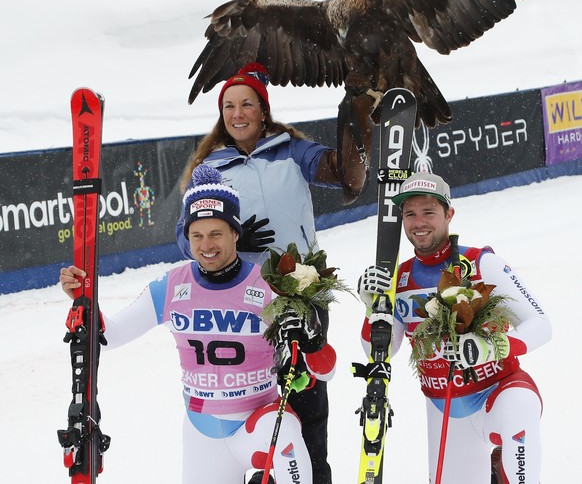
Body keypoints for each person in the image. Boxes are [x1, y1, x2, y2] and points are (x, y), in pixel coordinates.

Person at [60, 164, 335, 484]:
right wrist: (83, 302)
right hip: (203, 434)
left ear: (235, 232)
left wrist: (312, 339)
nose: (207, 245)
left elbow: (325, 370)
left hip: (259, 425)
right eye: (197, 235)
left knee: (287, 435)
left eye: (216, 233)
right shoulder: (171, 287)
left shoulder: (268, 285)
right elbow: (112, 334)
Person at [176, 62, 377, 484]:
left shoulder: (292, 149)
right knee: (252, 397)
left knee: (306, 397)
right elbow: (184, 237)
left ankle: (314, 473)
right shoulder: (210, 167)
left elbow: (345, 173)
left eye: (246, 103)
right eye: (229, 106)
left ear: (263, 109)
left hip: (302, 290)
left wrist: (356, 117)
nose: (237, 114)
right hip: (240, 297)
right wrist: (236, 240)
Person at [357, 172, 551, 484]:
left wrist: (493, 347)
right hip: (445, 407)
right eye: (410, 214)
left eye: (429, 212)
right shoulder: (399, 279)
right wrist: (372, 309)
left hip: (498, 393)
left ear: (449, 214)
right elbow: (380, 351)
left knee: (521, 408)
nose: (419, 222)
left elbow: (540, 324)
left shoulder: (481, 263)